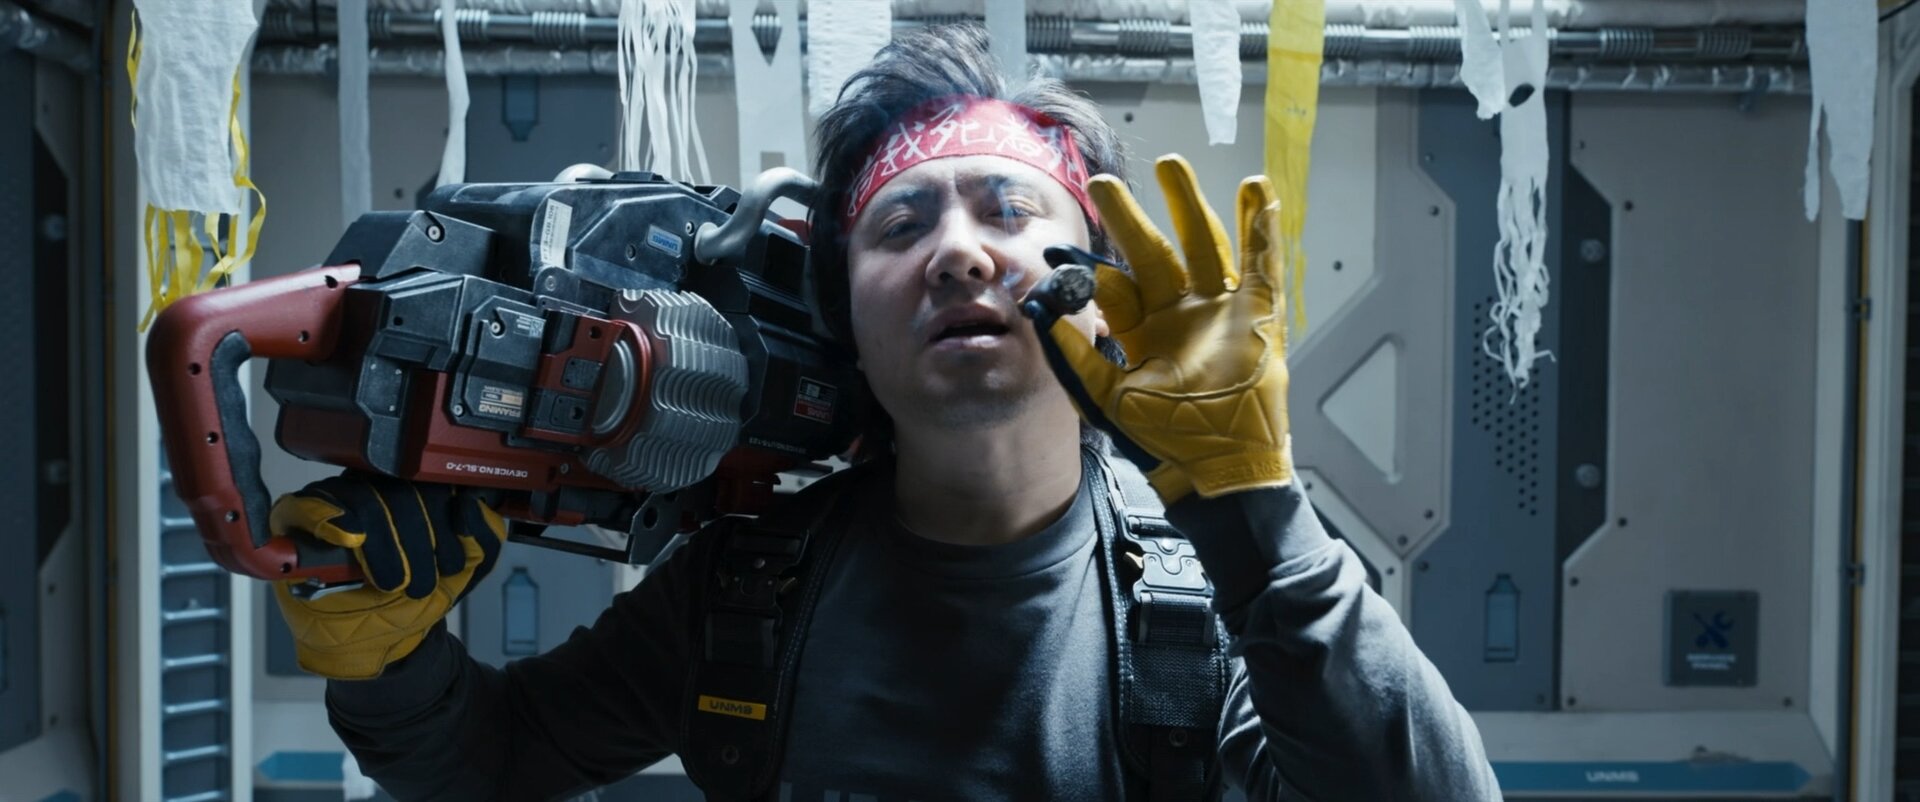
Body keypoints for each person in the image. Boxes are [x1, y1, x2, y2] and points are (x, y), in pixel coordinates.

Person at [268, 24, 1502, 802]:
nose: (958, 252)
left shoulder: (1215, 608)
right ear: (847, 312)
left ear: (1097, 286)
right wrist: (385, 657)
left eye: (1009, 212)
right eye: (902, 225)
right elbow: (487, 762)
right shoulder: (748, 589)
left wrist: (1258, 511)